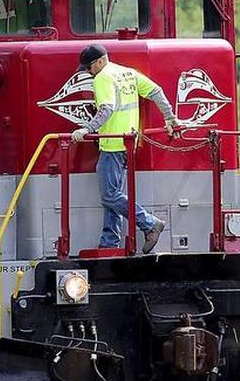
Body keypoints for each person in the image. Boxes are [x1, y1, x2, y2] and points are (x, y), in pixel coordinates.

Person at [71, 44, 182, 253]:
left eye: (89, 67)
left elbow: (107, 108)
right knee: (113, 195)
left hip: (112, 144)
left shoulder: (103, 77)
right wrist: (170, 116)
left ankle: (149, 224)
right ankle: (109, 243)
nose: (88, 72)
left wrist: (87, 129)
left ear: (100, 62)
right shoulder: (128, 73)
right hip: (128, 143)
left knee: (109, 196)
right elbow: (156, 91)